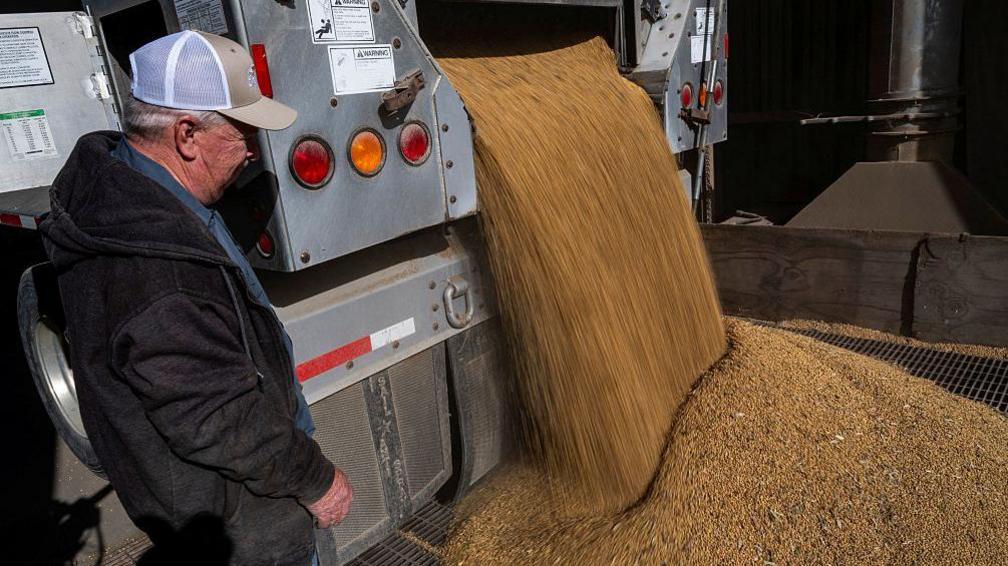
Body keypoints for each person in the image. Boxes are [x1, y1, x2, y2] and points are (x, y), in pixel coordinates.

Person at [39, 31, 351, 565]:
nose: (253, 150)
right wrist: (316, 480)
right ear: (187, 135)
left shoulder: (146, 192)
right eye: (243, 131)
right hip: (239, 525)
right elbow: (218, 416)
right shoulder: (154, 274)